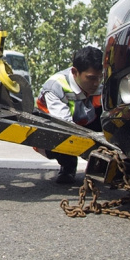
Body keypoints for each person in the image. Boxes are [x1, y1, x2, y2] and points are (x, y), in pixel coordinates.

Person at [36, 46, 104, 184]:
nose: (96, 83)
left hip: (87, 121)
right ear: (75, 72)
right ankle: (68, 166)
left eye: (100, 77)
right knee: (60, 136)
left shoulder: (101, 84)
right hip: (57, 128)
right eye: (91, 78)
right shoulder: (55, 87)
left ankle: (100, 168)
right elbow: (66, 127)